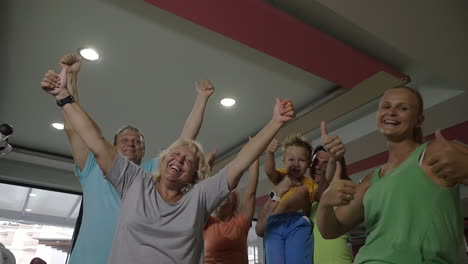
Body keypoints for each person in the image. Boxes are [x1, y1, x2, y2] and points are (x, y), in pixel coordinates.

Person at [41, 69, 295, 264]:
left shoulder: (199, 198)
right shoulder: (134, 181)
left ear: (195, 175)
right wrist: (64, 97)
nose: (179, 159)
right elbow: (95, 140)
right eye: (175, 154)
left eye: (187, 160)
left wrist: (275, 122)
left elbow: (241, 161)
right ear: (161, 162)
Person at [39, 53, 215, 264]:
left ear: (143, 151)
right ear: (112, 146)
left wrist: (201, 99)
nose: (131, 143)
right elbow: (74, 129)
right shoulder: (93, 165)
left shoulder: (152, 173)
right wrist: (71, 80)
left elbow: (186, 139)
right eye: (125, 140)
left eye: (138, 141)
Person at [317, 86, 468, 263]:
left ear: (419, 120)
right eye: (386, 106)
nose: (392, 112)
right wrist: (325, 204)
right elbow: (330, 230)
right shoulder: (369, 181)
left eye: (403, 108)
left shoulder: (432, 152)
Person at [255, 134, 318, 264]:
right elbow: (269, 171)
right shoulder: (282, 177)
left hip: (298, 223)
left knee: (297, 259)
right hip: (275, 224)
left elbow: (321, 195)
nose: (296, 164)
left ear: (309, 164)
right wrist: (270, 154)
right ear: (283, 162)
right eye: (291, 160)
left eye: (301, 160)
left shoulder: (310, 184)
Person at [203, 153, 259, 264]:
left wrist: (254, 158)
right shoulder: (207, 222)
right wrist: (205, 170)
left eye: (228, 191)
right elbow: (199, 197)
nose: (223, 194)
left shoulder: (241, 223)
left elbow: (251, 193)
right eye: (220, 192)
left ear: (235, 199)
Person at [308, 145, 353, 264]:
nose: (318, 167)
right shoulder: (309, 202)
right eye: (316, 162)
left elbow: (325, 192)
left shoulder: (343, 194)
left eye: (325, 163)